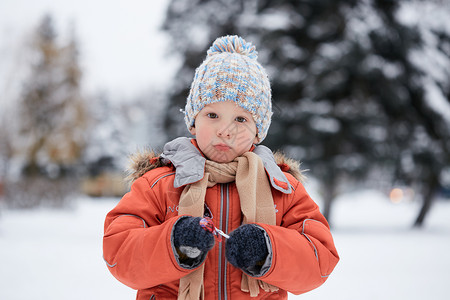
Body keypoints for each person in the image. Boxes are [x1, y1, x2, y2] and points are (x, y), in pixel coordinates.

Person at [103, 35, 339, 300]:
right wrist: (173, 244)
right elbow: (118, 253)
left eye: (241, 118)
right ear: (193, 121)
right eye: (212, 115)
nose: (225, 131)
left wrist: (268, 250)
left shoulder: (282, 189)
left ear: (258, 132)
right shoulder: (159, 184)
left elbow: (320, 260)